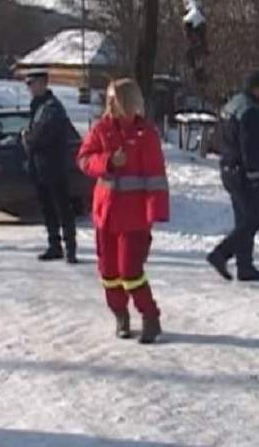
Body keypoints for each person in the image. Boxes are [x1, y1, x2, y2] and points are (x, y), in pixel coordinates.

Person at [76, 78, 170, 344]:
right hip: (106, 215)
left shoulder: (146, 135)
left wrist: (156, 212)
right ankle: (120, 315)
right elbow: (83, 159)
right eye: (107, 99)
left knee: (130, 271)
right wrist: (107, 162)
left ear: (127, 101)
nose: (109, 104)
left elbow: (156, 177)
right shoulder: (101, 130)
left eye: (113, 98)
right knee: (108, 272)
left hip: (135, 219)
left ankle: (150, 316)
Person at [206, 69, 259, 281]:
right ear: (257, 88)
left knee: (243, 220)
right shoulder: (250, 111)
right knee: (254, 219)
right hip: (243, 172)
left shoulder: (233, 104)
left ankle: (245, 266)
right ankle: (221, 254)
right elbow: (250, 144)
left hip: (228, 168)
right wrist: (254, 172)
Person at [22, 69, 78, 264]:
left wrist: (29, 139)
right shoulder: (37, 106)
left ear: (43, 83)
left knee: (63, 208)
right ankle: (54, 245)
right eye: (28, 84)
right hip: (40, 165)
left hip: (54, 165)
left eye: (33, 83)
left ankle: (70, 248)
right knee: (47, 208)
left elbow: (43, 135)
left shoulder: (53, 108)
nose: (30, 88)